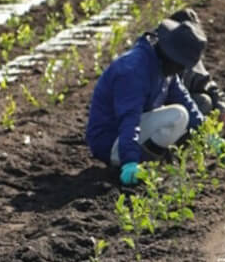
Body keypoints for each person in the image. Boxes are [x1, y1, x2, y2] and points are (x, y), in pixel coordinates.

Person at [85, 17, 207, 186]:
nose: (182, 70)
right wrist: (129, 160)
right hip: (110, 140)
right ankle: (137, 164)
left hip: (125, 135)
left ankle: (143, 161)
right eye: (181, 65)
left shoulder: (161, 67)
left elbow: (183, 97)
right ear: (170, 56)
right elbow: (129, 117)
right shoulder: (133, 70)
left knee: (185, 112)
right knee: (177, 116)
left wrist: (208, 133)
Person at [169, 8, 225, 138]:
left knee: (203, 101)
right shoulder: (158, 55)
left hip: (179, 106)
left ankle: (186, 139)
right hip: (154, 113)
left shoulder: (189, 54)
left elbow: (207, 84)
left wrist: (224, 114)